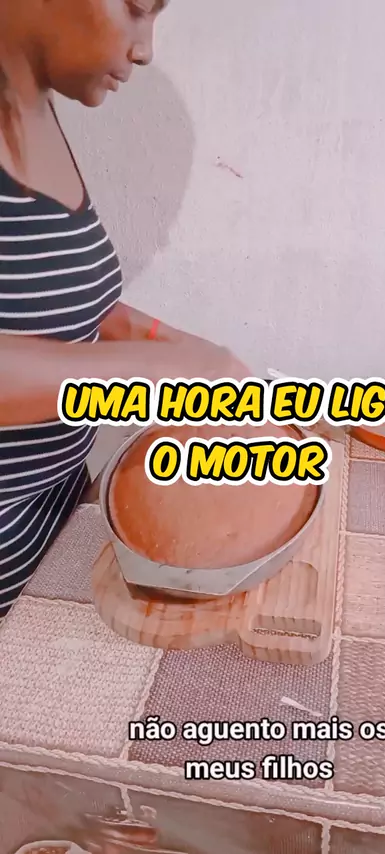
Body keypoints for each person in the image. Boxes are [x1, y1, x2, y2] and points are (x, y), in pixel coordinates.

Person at [0, 0, 250, 625]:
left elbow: (61, 297)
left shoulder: (36, 110)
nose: (145, 48)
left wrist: (179, 346)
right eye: (138, 8)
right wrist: (153, 371)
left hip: (54, 545)